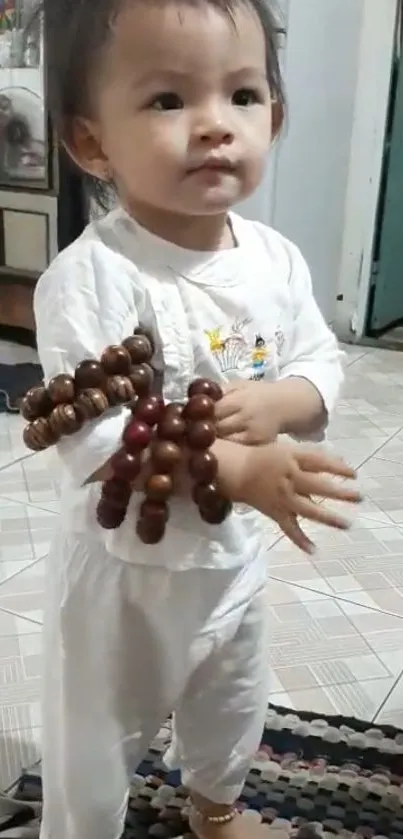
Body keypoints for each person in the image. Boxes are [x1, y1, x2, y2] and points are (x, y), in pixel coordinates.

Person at [34, 1, 360, 838]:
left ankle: (215, 809)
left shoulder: (274, 259)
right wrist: (237, 468)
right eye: (169, 100)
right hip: (121, 582)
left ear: (274, 118)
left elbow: (320, 359)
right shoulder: (91, 278)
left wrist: (288, 401)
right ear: (91, 143)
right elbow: (96, 440)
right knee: (95, 736)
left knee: (233, 692)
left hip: (229, 558)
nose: (216, 124)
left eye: (243, 95)